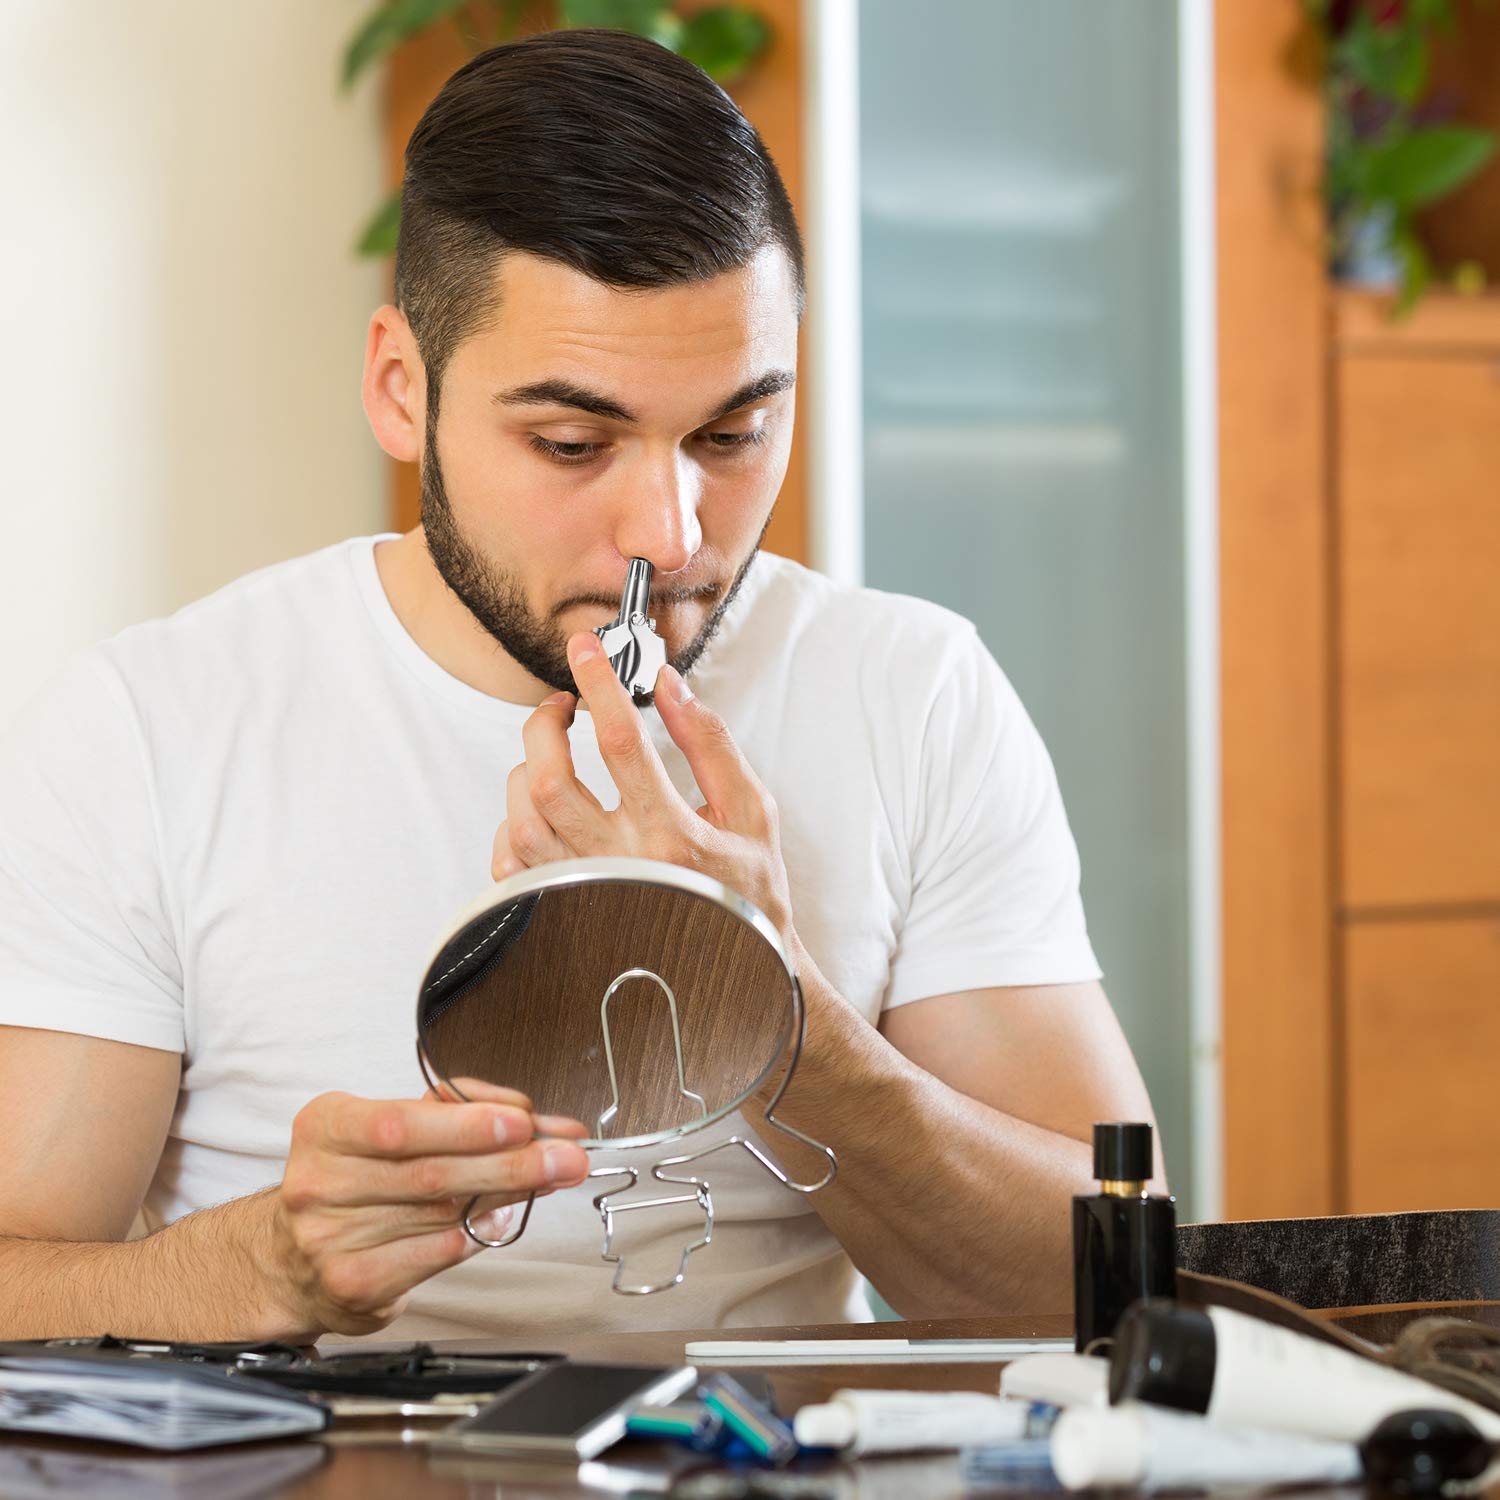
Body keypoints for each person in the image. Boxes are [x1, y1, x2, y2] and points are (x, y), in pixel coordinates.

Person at [0, 28, 1161, 1344]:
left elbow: (1113, 1288)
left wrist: (771, 1006)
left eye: (734, 431)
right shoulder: (151, 733)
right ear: (401, 389)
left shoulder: (912, 693)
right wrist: (253, 1269)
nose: (670, 533)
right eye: (569, 441)